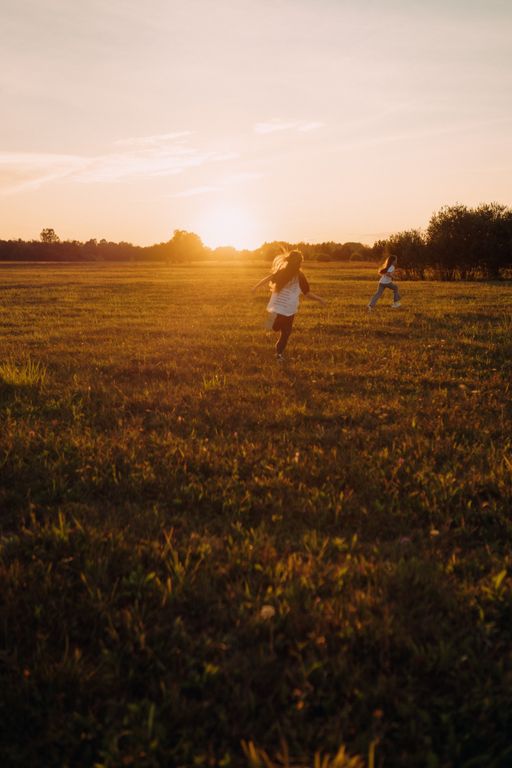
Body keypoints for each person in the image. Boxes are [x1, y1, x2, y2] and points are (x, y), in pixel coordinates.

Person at [252, 250, 326, 360]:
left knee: (285, 332)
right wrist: (256, 286)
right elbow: (307, 293)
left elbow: (306, 292)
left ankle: (279, 354)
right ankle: (277, 348)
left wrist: (256, 287)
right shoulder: (291, 274)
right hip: (284, 308)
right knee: (283, 332)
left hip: (286, 308)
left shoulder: (297, 275)